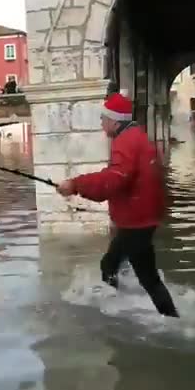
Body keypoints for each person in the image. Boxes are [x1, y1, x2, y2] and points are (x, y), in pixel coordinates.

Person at [56, 92, 179, 318]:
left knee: (146, 277)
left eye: (103, 118)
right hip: (141, 217)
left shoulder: (126, 141)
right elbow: (120, 176)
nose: (101, 123)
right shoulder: (136, 136)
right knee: (110, 264)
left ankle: (170, 321)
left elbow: (114, 179)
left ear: (114, 120)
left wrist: (75, 185)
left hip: (137, 221)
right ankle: (116, 305)